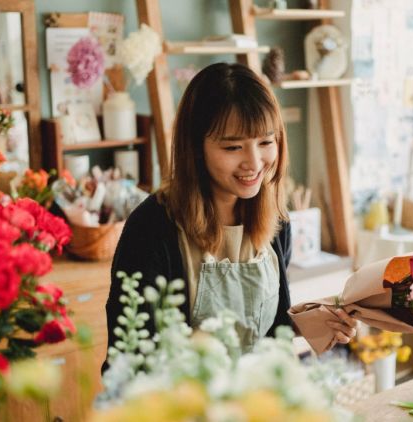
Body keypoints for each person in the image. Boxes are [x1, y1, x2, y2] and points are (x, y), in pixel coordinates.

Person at [104, 63, 355, 367]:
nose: (254, 162)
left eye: (266, 142)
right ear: (196, 147)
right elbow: (128, 360)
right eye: (233, 146)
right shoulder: (153, 228)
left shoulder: (277, 221)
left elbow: (263, 332)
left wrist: (311, 321)